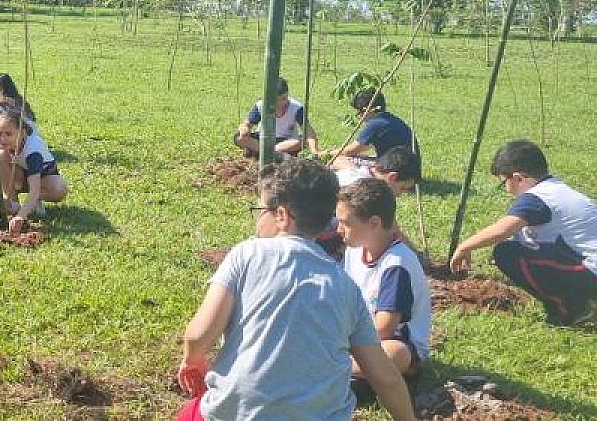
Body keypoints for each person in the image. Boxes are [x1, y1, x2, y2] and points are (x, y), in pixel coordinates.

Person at [174, 158, 415, 421]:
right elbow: (385, 378)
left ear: (282, 215)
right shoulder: (346, 286)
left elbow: (198, 336)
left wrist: (192, 361)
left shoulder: (247, 254)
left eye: (261, 209)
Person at [450, 139, 597, 327]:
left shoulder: (537, 198)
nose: (505, 188)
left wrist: (464, 246)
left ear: (519, 178)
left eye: (503, 182)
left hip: (590, 273)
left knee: (506, 253)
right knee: (514, 248)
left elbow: (502, 230)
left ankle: (571, 308)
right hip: (587, 268)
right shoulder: (556, 188)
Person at [337, 178, 431, 380]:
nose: (338, 230)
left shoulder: (397, 264)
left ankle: (329, 369)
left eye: (345, 223)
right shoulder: (355, 251)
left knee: (394, 353)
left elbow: (384, 328)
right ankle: (341, 368)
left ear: (374, 224)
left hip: (391, 343)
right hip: (356, 340)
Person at [0, 111, 68, 237]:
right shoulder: (2, 142)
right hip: (22, 175)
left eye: (8, 134)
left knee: (59, 188)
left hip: (43, 180)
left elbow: (34, 189)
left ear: (21, 133)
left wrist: (21, 217)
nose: (3, 139)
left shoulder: (33, 151)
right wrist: (3, 198)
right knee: (0, 156)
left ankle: (33, 203)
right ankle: (13, 204)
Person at [232, 78, 319, 159]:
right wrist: (244, 129)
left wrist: (315, 151)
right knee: (239, 138)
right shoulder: (261, 105)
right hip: (263, 139)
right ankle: (272, 153)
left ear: (288, 94)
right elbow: (247, 124)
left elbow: (308, 129)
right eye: (276, 101)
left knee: (302, 141)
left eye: (284, 99)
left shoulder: (296, 108)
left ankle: (265, 152)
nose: (281, 103)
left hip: (286, 141)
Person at [324, 88, 413, 162]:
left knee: (339, 160)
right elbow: (364, 147)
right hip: (409, 172)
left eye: (359, 113)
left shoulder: (376, 124)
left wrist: (326, 153)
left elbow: (350, 151)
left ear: (367, 110)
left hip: (394, 173)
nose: (359, 117)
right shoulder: (389, 119)